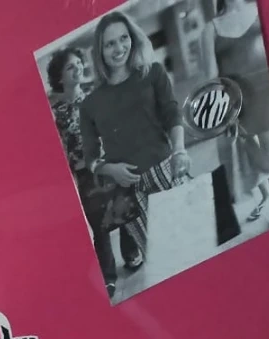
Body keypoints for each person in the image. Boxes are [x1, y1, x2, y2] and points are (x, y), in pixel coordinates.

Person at [79, 11, 191, 298]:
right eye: (110, 44)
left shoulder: (153, 73)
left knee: (192, 243)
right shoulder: (90, 104)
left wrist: (180, 150)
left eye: (124, 38)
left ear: (133, 38)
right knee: (161, 259)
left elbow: (172, 114)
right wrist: (110, 170)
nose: (119, 48)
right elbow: (90, 157)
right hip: (128, 189)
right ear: (100, 51)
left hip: (167, 171)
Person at [48, 46, 118, 296]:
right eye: (70, 66)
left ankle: (132, 252)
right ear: (60, 78)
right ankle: (108, 276)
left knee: (125, 209)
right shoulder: (54, 113)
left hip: (109, 163)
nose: (78, 68)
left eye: (79, 63)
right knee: (99, 224)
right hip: (84, 173)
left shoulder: (94, 97)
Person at [210, 0, 269, 227]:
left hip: (266, 88)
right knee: (248, 153)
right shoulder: (211, 28)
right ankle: (265, 196)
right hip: (238, 100)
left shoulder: (259, 8)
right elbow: (212, 79)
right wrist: (223, 112)